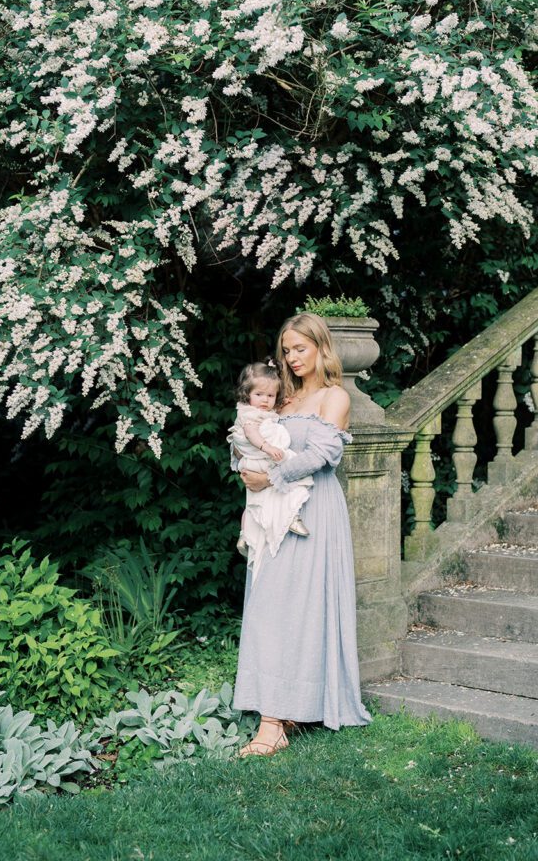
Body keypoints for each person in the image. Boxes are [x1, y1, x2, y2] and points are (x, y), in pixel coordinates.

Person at [232, 312, 371, 757]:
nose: (291, 357)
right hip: (273, 514)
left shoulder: (334, 397)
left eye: (300, 348)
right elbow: (246, 441)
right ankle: (281, 705)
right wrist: (246, 471)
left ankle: (274, 724)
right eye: (286, 349)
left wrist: (270, 474)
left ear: (320, 348)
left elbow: (325, 454)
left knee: (300, 608)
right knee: (270, 606)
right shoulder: (281, 402)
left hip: (316, 511)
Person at [228, 360, 312, 580]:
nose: (265, 400)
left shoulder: (262, 409)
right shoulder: (248, 414)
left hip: (257, 460)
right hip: (260, 458)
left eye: (270, 396)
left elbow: (275, 410)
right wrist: (267, 447)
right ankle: (289, 517)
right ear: (247, 395)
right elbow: (251, 433)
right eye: (259, 394)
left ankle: (246, 534)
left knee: (256, 500)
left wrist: (288, 403)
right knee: (293, 477)